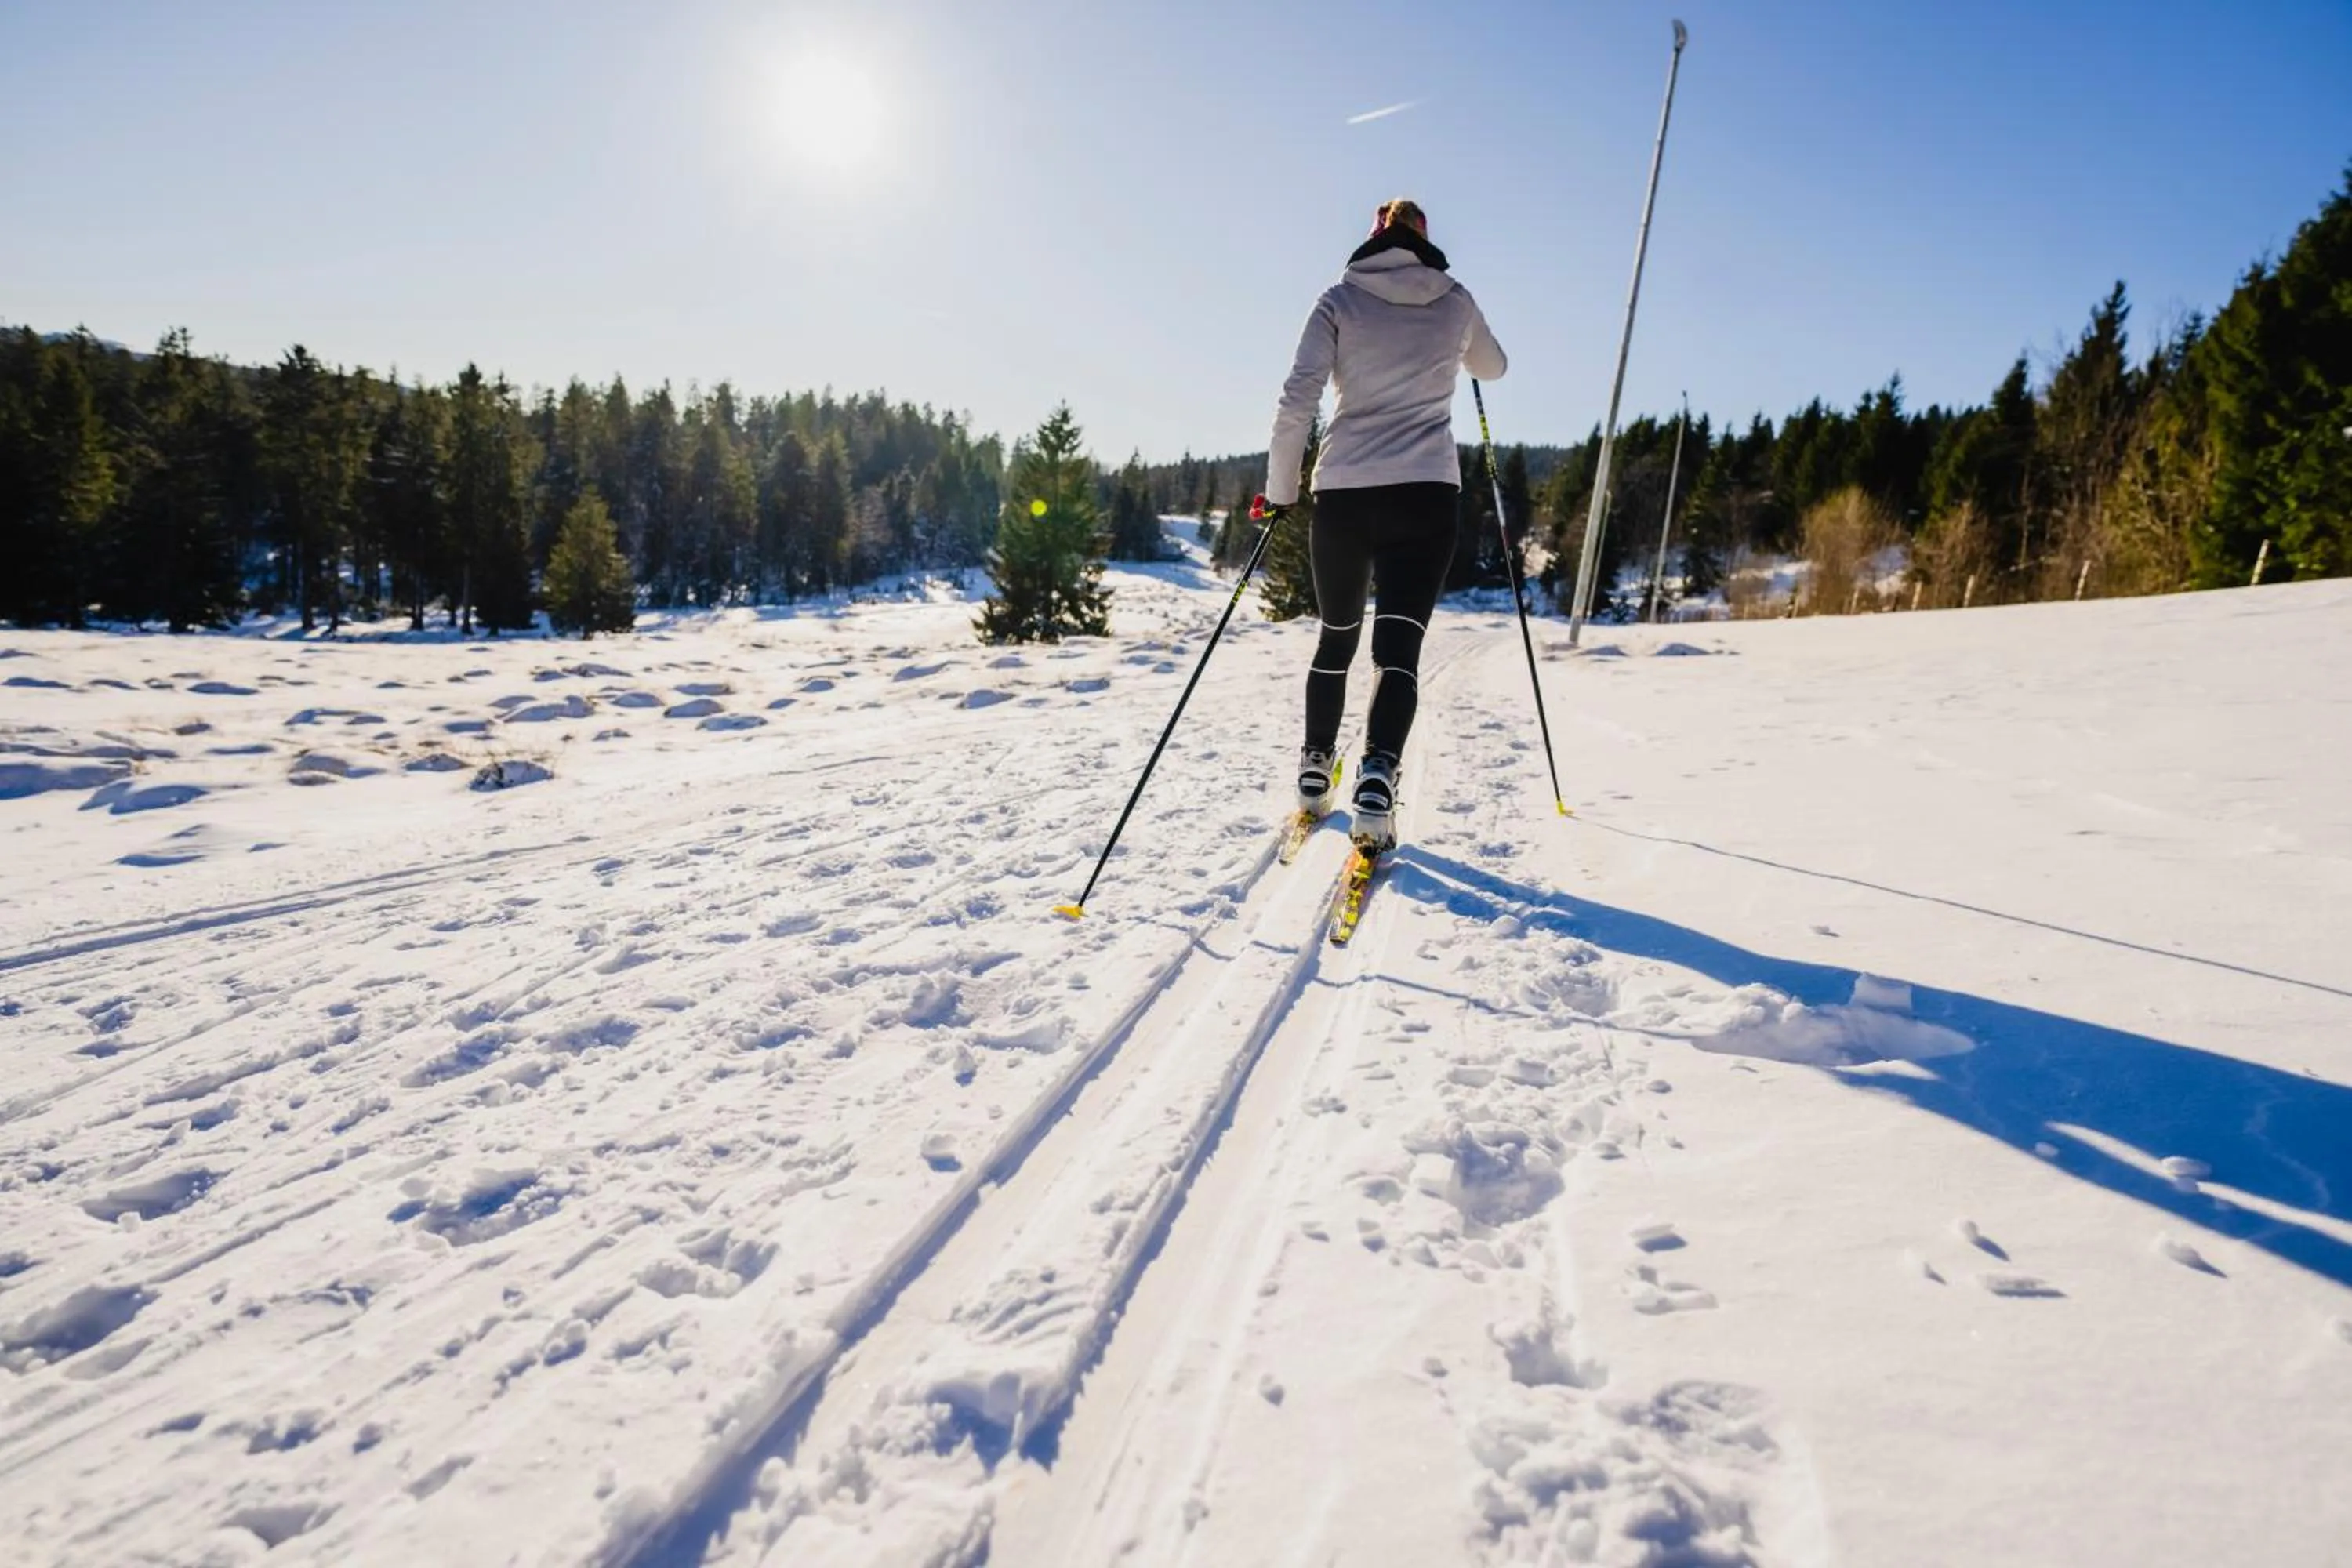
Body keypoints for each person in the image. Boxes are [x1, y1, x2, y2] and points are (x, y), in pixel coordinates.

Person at [1263, 198, 1508, 851]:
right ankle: (1377, 779)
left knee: (1336, 637)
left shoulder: (1339, 300)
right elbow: (1494, 367)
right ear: (1425, 242)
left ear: (1374, 239)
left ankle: (1316, 771)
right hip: (1426, 495)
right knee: (1398, 651)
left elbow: (1298, 397)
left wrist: (1280, 491)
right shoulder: (1455, 301)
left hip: (1344, 493)